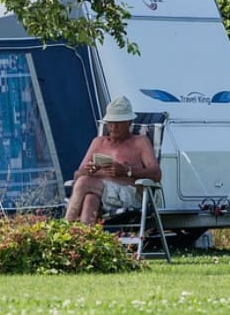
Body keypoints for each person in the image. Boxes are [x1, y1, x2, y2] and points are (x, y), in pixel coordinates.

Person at [65, 96, 160, 224]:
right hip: (100, 192)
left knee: (83, 183)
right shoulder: (98, 142)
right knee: (90, 199)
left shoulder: (140, 142)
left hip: (128, 194)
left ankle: (65, 227)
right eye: (110, 122)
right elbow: (77, 174)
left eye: (118, 123)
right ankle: (84, 235)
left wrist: (127, 170)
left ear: (129, 122)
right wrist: (88, 171)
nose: (113, 127)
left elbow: (156, 174)